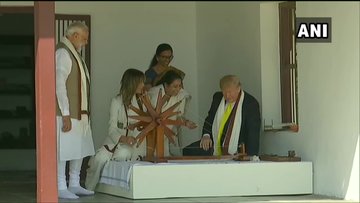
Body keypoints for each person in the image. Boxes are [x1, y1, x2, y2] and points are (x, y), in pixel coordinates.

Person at [85, 68, 147, 191]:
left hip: (132, 145)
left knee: (123, 154)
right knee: (99, 159)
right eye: (141, 82)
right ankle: (89, 188)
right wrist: (123, 138)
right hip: (113, 142)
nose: (143, 85)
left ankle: (113, 188)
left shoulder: (141, 103)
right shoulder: (116, 101)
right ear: (133, 83)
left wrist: (133, 139)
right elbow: (112, 128)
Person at [55, 21, 95, 199]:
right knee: (64, 149)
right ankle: (60, 185)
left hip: (80, 113)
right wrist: (65, 113)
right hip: (67, 113)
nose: (85, 43)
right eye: (84, 39)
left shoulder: (75, 54)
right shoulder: (63, 52)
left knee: (78, 148)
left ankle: (74, 183)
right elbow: (58, 84)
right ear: (75, 35)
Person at [183, 75, 261, 157]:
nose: (227, 96)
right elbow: (210, 118)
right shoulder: (218, 97)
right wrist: (206, 135)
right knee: (188, 151)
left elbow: (253, 134)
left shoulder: (250, 103)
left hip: (237, 147)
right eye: (224, 92)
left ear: (238, 88)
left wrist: (251, 158)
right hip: (214, 143)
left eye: (230, 92)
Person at [147, 70, 197, 156]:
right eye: (175, 86)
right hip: (150, 136)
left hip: (166, 136)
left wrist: (186, 122)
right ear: (166, 85)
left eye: (179, 86)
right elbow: (152, 115)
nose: (178, 89)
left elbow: (179, 115)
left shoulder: (181, 95)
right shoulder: (154, 93)